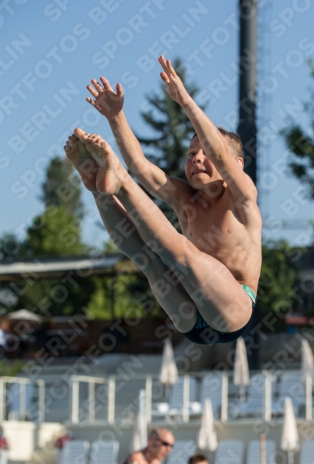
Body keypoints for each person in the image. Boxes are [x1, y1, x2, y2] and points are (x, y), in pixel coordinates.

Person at [64, 55, 262, 345]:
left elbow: (219, 151)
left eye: (204, 152)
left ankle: (118, 181)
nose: (197, 157)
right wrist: (116, 117)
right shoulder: (186, 198)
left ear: (237, 165)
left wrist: (185, 101)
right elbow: (142, 166)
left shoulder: (243, 198)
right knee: (147, 259)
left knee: (184, 255)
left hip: (233, 310)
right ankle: (97, 186)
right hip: (189, 319)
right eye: (191, 154)